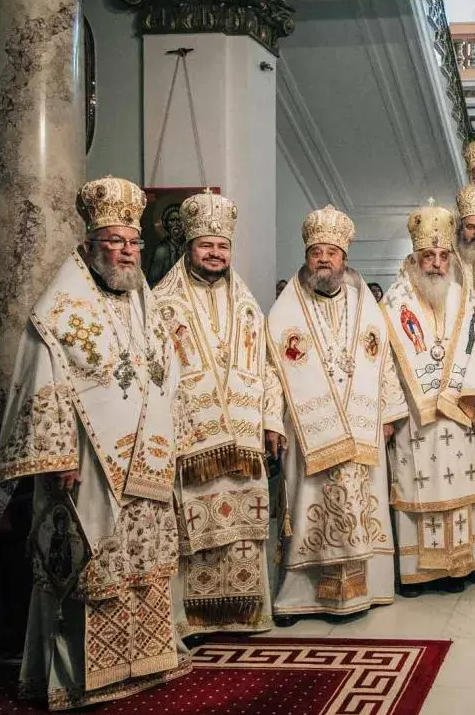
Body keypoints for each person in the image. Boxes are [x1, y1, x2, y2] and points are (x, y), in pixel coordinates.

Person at [0, 176, 189, 708]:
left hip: (146, 465)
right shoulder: (60, 307)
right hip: (87, 464)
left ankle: (147, 661)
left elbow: (165, 375)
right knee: (90, 567)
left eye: (133, 242)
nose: (126, 251)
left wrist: (170, 437)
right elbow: (45, 382)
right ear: (89, 244)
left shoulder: (144, 301)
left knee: (143, 562)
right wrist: (58, 455)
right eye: (114, 241)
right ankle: (81, 676)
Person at [152, 190, 282, 638]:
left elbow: (267, 367)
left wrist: (272, 420)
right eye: (206, 245)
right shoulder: (162, 302)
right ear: (189, 246)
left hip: (244, 439)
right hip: (192, 441)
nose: (215, 253)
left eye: (222, 246)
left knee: (245, 529)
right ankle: (192, 620)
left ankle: (245, 614)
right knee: (192, 533)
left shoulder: (248, 304)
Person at [267, 205, 401, 620]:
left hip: (361, 425)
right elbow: (270, 371)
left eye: (332, 252)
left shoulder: (365, 306)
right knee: (307, 507)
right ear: (307, 257)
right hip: (308, 430)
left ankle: (366, 589)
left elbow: (385, 363)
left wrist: (389, 413)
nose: (324, 259)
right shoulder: (285, 311)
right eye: (316, 252)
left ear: (345, 258)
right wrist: (271, 421)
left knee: (363, 505)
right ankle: (300, 596)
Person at [382, 200, 475, 594]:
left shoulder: (466, 300)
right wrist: (390, 412)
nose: (436, 264)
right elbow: (386, 364)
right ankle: (417, 571)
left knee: (459, 486)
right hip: (414, 417)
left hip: (459, 412)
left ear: (451, 258)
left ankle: (457, 567)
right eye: (428, 256)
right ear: (415, 258)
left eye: (442, 256)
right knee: (416, 486)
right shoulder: (394, 304)